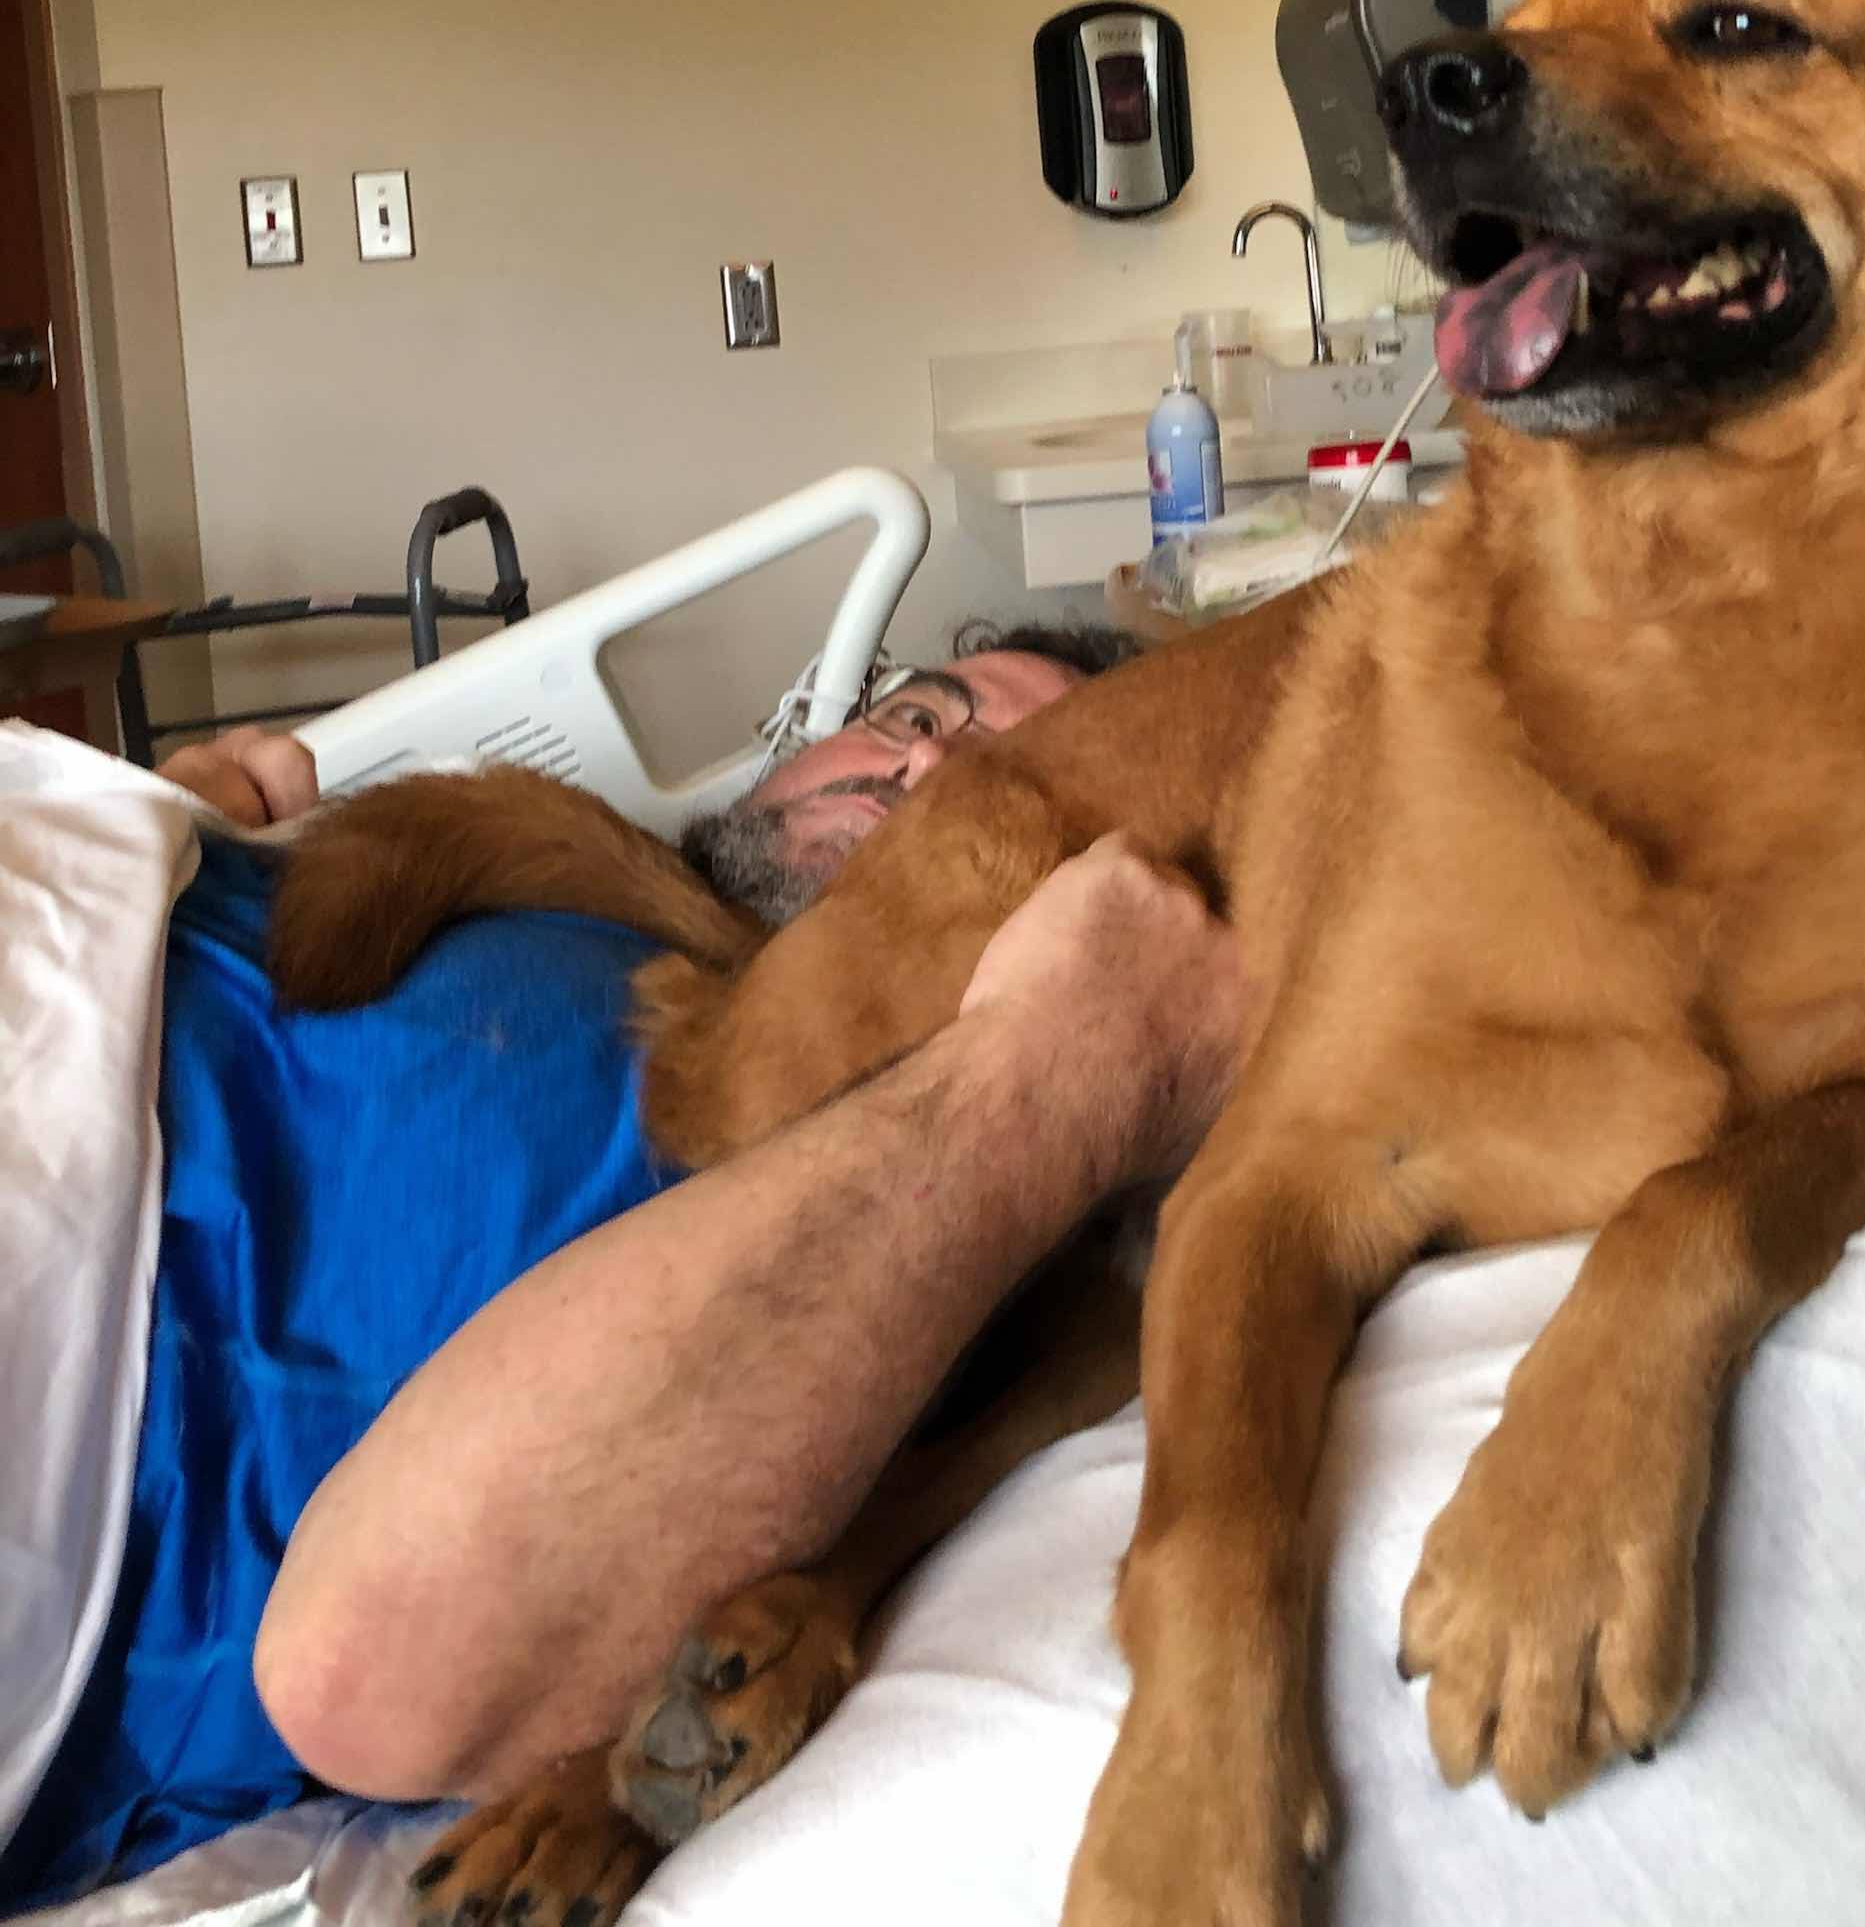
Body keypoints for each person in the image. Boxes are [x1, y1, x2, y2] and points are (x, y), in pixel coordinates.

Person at [0, 623, 1245, 1911]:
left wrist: (1060, 1068)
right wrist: (133, 819)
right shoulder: (490, 863)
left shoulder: (882, 1231)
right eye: (919, 715)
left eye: (1007, 782)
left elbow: (376, 1662)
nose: (925, 769)